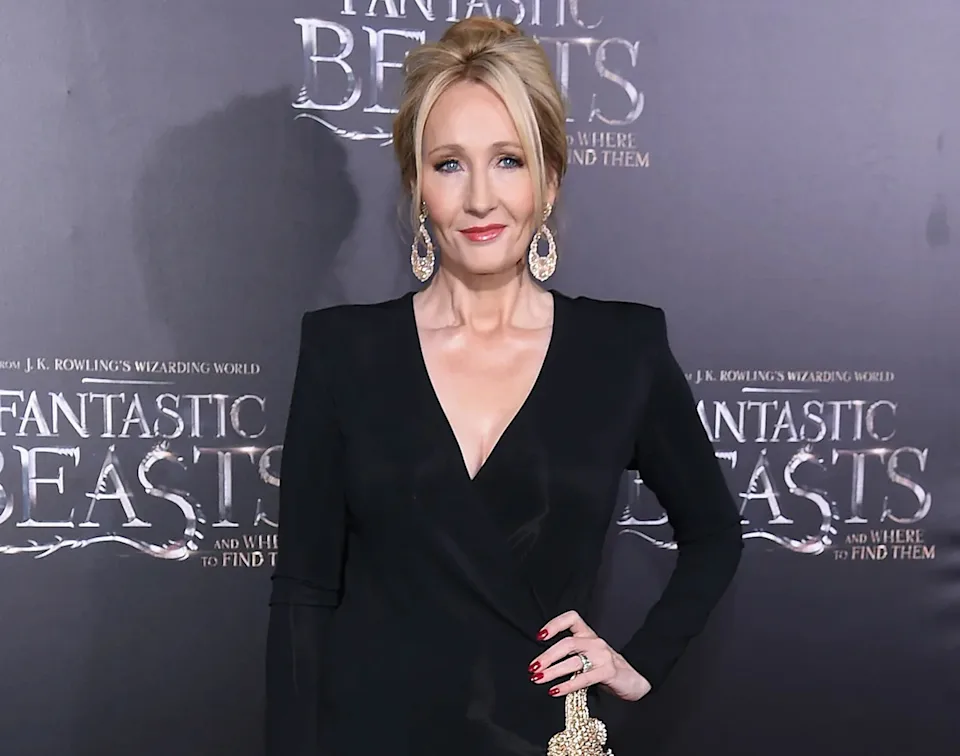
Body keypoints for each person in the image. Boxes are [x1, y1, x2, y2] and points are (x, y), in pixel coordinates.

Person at [265, 16, 743, 756]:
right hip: (370, 735)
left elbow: (714, 535)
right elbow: (304, 593)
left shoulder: (623, 349)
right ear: (416, 185)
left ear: (550, 180)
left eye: (509, 160)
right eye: (449, 164)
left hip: (540, 734)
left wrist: (639, 662)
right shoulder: (342, 352)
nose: (481, 198)